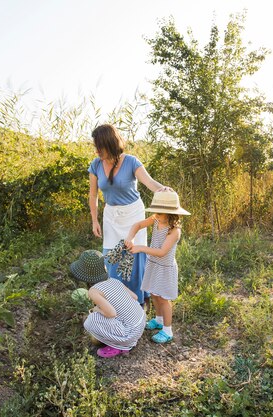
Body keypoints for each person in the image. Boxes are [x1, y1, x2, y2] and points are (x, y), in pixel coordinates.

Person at [88, 124, 171, 305]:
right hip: (111, 216)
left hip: (134, 215)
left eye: (99, 146)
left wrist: (163, 189)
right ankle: (117, 300)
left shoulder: (131, 161)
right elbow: (93, 195)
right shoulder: (95, 165)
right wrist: (94, 220)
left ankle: (138, 301)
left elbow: (149, 182)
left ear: (109, 143)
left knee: (134, 258)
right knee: (112, 258)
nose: (96, 151)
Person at [124, 191, 190, 344]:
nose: (156, 215)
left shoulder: (174, 231)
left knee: (163, 299)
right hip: (153, 265)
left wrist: (140, 248)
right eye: (155, 212)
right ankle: (159, 320)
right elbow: (138, 225)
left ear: (170, 213)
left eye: (159, 213)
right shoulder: (155, 219)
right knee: (154, 293)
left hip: (165, 268)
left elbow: (161, 252)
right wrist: (130, 237)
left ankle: (167, 330)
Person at [69, 250, 146, 358]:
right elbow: (135, 297)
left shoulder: (93, 291)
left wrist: (96, 310)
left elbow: (111, 313)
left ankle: (119, 346)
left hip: (130, 334)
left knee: (91, 320)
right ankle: (121, 339)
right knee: (108, 314)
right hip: (140, 321)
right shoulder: (114, 280)